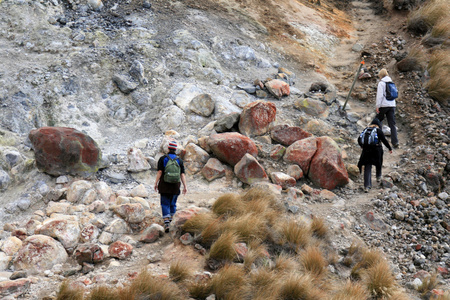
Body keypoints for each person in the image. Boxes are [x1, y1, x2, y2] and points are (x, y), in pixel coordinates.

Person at [154, 141, 188, 232]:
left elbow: (160, 172)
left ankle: (167, 224)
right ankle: (172, 220)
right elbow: (182, 174)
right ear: (175, 149)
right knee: (173, 203)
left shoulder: (163, 159)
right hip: (175, 186)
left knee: (165, 203)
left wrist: (156, 183)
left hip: (164, 185)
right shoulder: (179, 160)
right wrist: (185, 186)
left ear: (168, 148)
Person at [358, 118, 392, 193]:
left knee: (367, 166)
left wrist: (362, 146)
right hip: (376, 150)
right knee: (378, 163)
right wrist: (389, 148)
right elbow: (384, 140)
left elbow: (359, 139)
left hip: (366, 150)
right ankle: (378, 177)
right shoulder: (378, 130)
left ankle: (367, 186)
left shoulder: (366, 130)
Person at [376, 68, 399, 148]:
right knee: (392, 124)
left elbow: (380, 96)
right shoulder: (392, 83)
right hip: (392, 105)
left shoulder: (381, 83)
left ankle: (378, 140)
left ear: (380, 75)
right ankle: (395, 142)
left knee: (378, 121)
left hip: (383, 105)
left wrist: (378, 106)